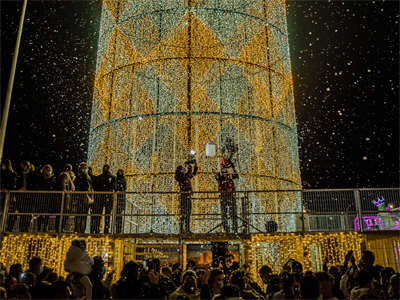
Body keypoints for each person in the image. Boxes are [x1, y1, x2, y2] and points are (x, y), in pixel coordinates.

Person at [216, 152, 238, 233]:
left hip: (227, 195)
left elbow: (235, 174)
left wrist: (232, 166)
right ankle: (230, 229)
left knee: (229, 214)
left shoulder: (228, 175)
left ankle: (231, 229)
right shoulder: (222, 175)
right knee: (228, 214)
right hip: (226, 195)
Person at [92, 164, 116, 234]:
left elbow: (95, 188)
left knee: (99, 214)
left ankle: (97, 229)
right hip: (109, 198)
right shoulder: (113, 178)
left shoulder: (98, 178)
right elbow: (114, 188)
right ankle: (106, 229)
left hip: (99, 198)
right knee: (107, 214)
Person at [175, 162, 198, 233]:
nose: (184, 169)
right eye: (183, 168)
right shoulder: (181, 176)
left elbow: (192, 174)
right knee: (185, 212)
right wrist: (190, 165)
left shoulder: (184, 176)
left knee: (187, 213)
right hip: (184, 195)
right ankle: (183, 229)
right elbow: (189, 174)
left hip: (187, 195)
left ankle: (186, 229)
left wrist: (195, 167)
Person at [37, 165, 58, 231]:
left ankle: (45, 227)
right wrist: (48, 179)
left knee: (47, 212)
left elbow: (54, 185)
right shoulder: (41, 177)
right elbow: (42, 185)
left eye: (50, 170)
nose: (49, 172)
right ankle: (39, 227)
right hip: (42, 196)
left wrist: (50, 179)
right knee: (41, 212)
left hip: (49, 197)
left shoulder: (53, 177)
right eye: (48, 170)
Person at [74, 162, 94, 233]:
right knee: (81, 214)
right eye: (84, 168)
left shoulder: (88, 177)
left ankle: (82, 229)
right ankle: (79, 229)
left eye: (86, 168)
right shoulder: (81, 177)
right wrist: (87, 189)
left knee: (83, 214)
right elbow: (79, 185)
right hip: (82, 197)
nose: (85, 169)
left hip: (85, 198)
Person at [115, 168, 127, 233]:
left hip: (118, 200)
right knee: (118, 215)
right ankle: (118, 229)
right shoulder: (123, 179)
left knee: (117, 215)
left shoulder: (118, 179)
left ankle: (118, 229)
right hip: (120, 200)